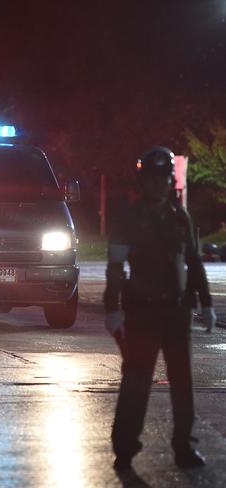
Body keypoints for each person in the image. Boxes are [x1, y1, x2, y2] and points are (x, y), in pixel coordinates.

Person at [104, 146, 216, 471]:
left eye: (164, 177)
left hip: (177, 314)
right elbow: (115, 267)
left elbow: (193, 262)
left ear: (170, 180)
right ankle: (124, 449)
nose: (158, 184)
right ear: (144, 181)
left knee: (183, 386)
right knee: (136, 384)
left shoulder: (180, 216)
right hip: (142, 315)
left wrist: (206, 303)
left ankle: (184, 447)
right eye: (153, 178)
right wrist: (112, 308)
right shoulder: (128, 219)